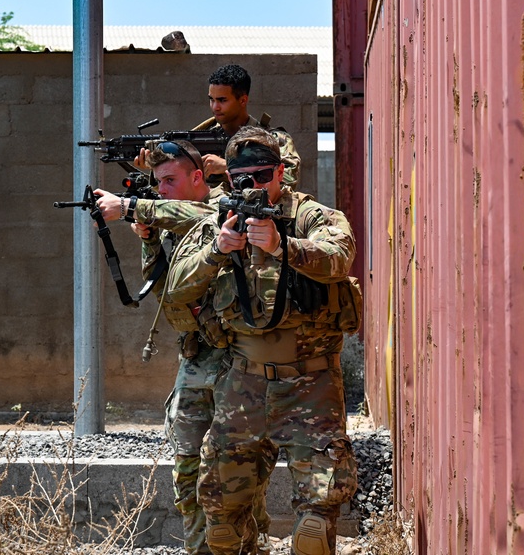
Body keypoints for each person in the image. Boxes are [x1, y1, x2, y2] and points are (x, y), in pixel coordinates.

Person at [165, 127, 359, 555]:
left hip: (310, 386)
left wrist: (281, 245)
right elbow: (175, 291)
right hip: (243, 386)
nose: (252, 186)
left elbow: (340, 256)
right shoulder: (220, 219)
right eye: (241, 178)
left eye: (262, 174)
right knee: (221, 522)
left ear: (281, 172)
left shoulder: (311, 216)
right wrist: (216, 250)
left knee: (313, 526)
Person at [91, 140, 277, 555]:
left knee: (240, 470)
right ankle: (200, 547)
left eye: (171, 180)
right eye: (158, 183)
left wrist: (133, 208)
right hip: (195, 359)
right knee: (188, 466)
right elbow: (162, 286)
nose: (163, 190)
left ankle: (249, 545)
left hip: (238, 361)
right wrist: (148, 238)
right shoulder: (168, 216)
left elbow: (199, 218)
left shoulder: (225, 209)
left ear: (198, 178)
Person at [136, 63, 301, 189]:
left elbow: (289, 179)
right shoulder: (201, 137)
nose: (215, 107)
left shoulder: (273, 139)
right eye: (211, 99)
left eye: (222, 100)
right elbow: (177, 192)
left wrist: (228, 166)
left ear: (243, 100)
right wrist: (157, 169)